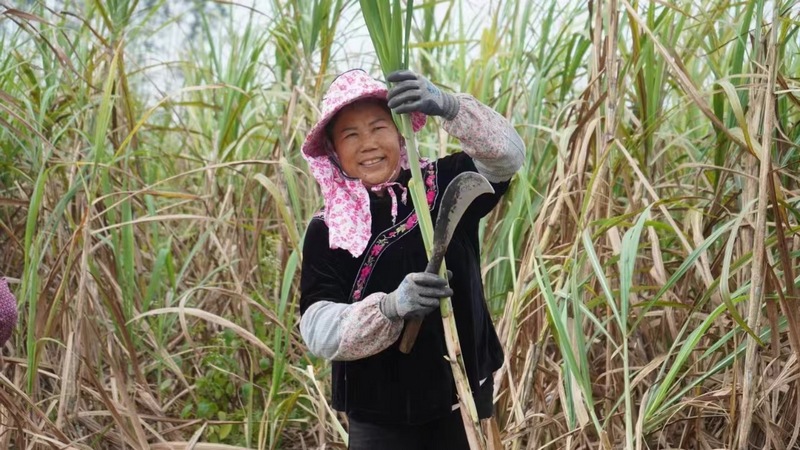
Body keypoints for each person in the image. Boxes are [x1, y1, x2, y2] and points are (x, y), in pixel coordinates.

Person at [298, 68, 524, 449]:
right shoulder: (327, 229)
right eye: (350, 135)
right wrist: (389, 308)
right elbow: (317, 330)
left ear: (400, 131)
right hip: (378, 415)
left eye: (378, 127)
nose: (367, 143)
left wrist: (448, 105)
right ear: (334, 151)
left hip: (463, 401)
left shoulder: (447, 182)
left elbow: (507, 158)